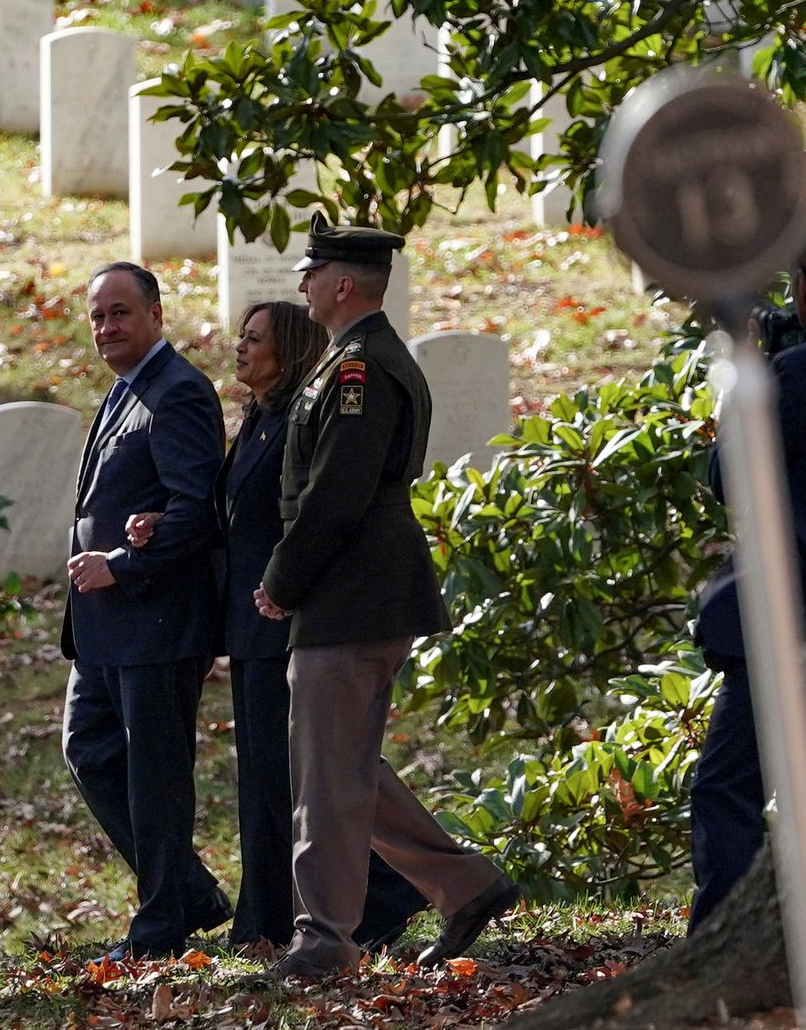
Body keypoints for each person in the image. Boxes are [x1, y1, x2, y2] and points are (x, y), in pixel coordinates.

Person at [251, 214, 521, 980]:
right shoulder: (350, 359)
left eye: (311, 271)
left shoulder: (362, 368)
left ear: (342, 283)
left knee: (325, 777)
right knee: (342, 767)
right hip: (353, 594)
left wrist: (282, 580)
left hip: (350, 596)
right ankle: (466, 884)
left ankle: (326, 937)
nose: (301, 283)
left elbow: (337, 493)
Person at [127, 301, 429, 951]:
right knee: (267, 779)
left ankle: (385, 894)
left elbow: (313, 518)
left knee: (296, 776)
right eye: (240, 336)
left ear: (287, 351)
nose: (239, 347)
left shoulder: (299, 420)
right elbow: (237, 513)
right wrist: (162, 525)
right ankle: (267, 918)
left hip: (285, 617)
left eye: (254, 338)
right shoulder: (260, 419)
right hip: (247, 620)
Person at [60, 261, 232, 961]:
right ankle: (188, 893)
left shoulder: (180, 391)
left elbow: (195, 511)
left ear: (157, 315)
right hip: (108, 628)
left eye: (120, 312)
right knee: (90, 749)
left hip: (156, 620)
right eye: (98, 315)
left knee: (156, 777)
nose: (107, 327)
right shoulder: (124, 391)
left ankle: (161, 927)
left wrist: (121, 564)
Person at [686, 232, 806, 931]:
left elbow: (728, 479)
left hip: (788, 613)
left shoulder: (800, 373)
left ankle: (720, 931)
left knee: (725, 788)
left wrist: (756, 372)